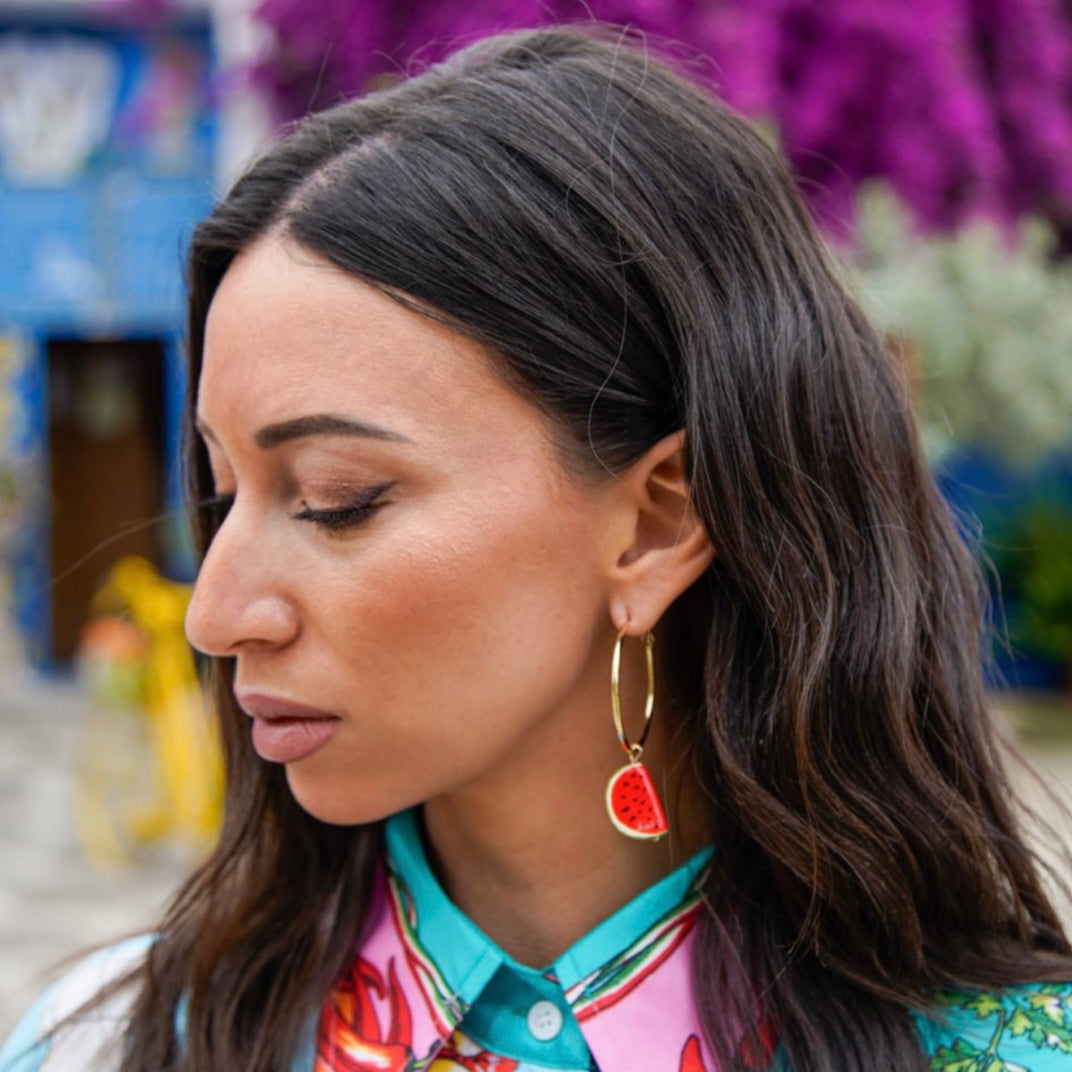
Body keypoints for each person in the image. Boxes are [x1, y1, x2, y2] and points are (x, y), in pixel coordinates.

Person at [3, 23, 1072, 1072]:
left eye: (337, 498)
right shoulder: (114, 1041)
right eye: (222, 493)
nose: (215, 613)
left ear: (658, 521)